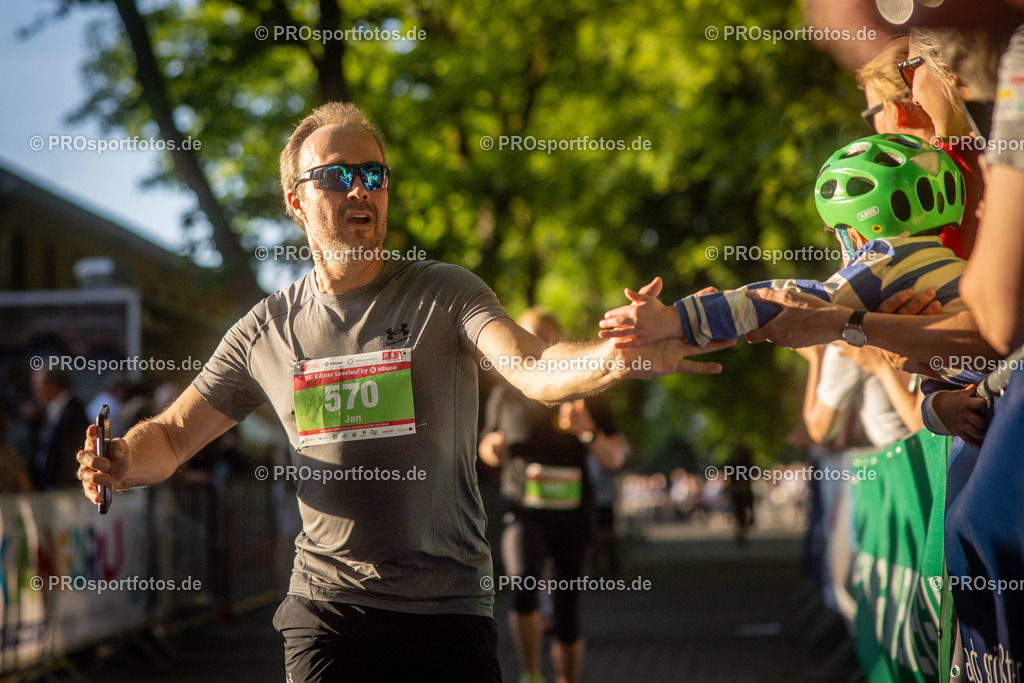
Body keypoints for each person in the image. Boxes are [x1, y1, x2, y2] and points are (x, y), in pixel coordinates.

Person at [75, 101, 732, 681]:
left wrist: (619, 358)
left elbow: (534, 366)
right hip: (327, 609)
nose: (362, 189)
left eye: (374, 175)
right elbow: (173, 434)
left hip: (445, 610)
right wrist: (124, 459)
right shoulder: (264, 330)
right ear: (297, 200)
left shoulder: (444, 293)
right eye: (339, 175)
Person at [599, 133, 987, 387]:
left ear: (854, 233)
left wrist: (675, 318)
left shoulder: (883, 258)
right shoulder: (946, 262)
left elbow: (791, 301)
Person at [479, 308, 627, 683]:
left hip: (573, 515)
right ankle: (531, 675)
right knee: (523, 587)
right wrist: (492, 448)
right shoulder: (504, 393)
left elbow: (617, 457)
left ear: (562, 342)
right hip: (523, 509)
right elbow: (485, 444)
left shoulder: (588, 388)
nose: (538, 346)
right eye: (529, 338)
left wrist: (587, 431)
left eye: (547, 338)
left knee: (567, 612)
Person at [32, 369, 89, 490]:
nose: (37, 393)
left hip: (66, 491)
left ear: (53, 386)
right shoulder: (58, 410)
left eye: (39, 388)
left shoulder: (73, 413)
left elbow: (72, 456)